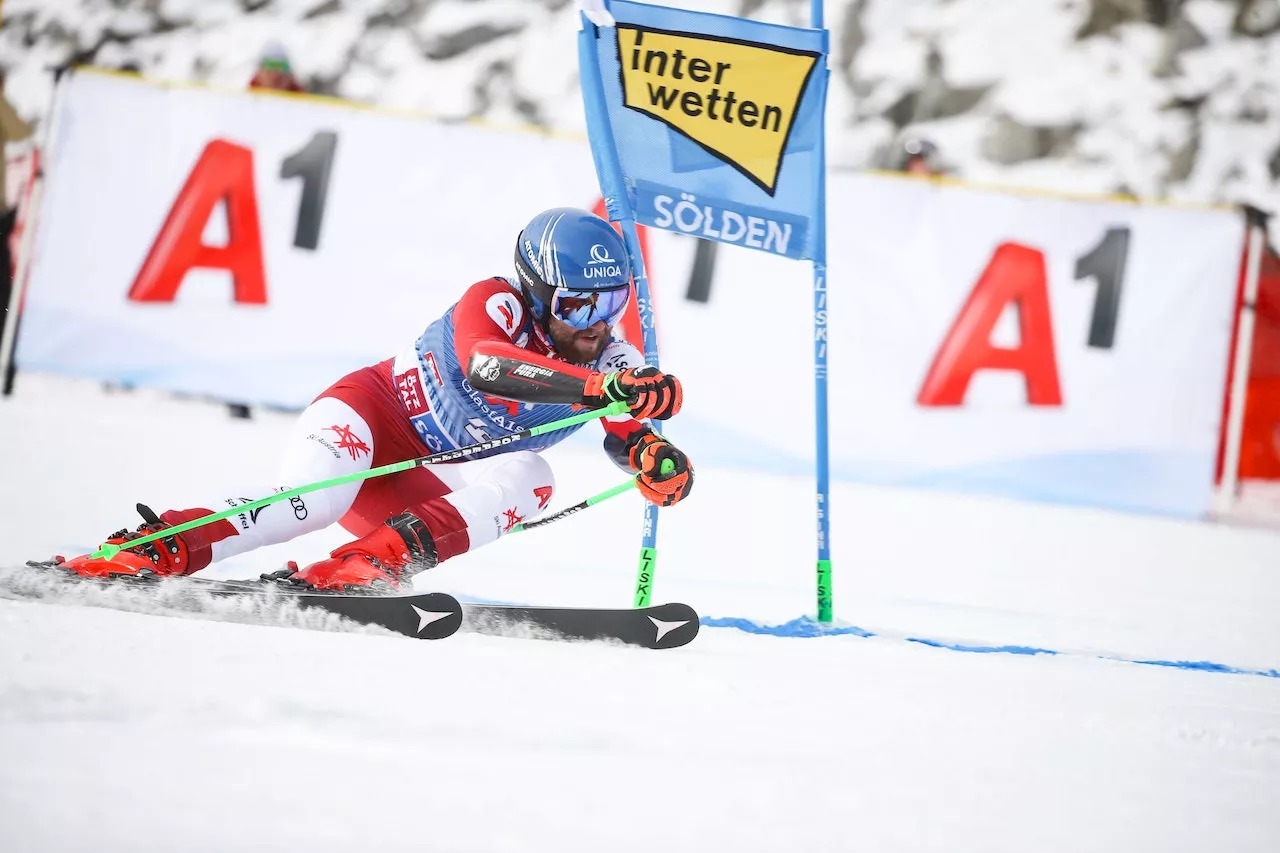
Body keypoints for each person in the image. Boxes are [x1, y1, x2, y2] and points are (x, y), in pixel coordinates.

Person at [51, 208, 694, 590]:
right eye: (578, 303)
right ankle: (155, 549)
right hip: (365, 415)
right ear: (537, 291)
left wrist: (655, 458)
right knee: (311, 504)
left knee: (534, 476)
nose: (596, 323)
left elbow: (626, 432)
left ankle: (361, 567)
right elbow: (487, 366)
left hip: (410, 477)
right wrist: (599, 389)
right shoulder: (493, 301)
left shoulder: (612, 359)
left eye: (611, 303)